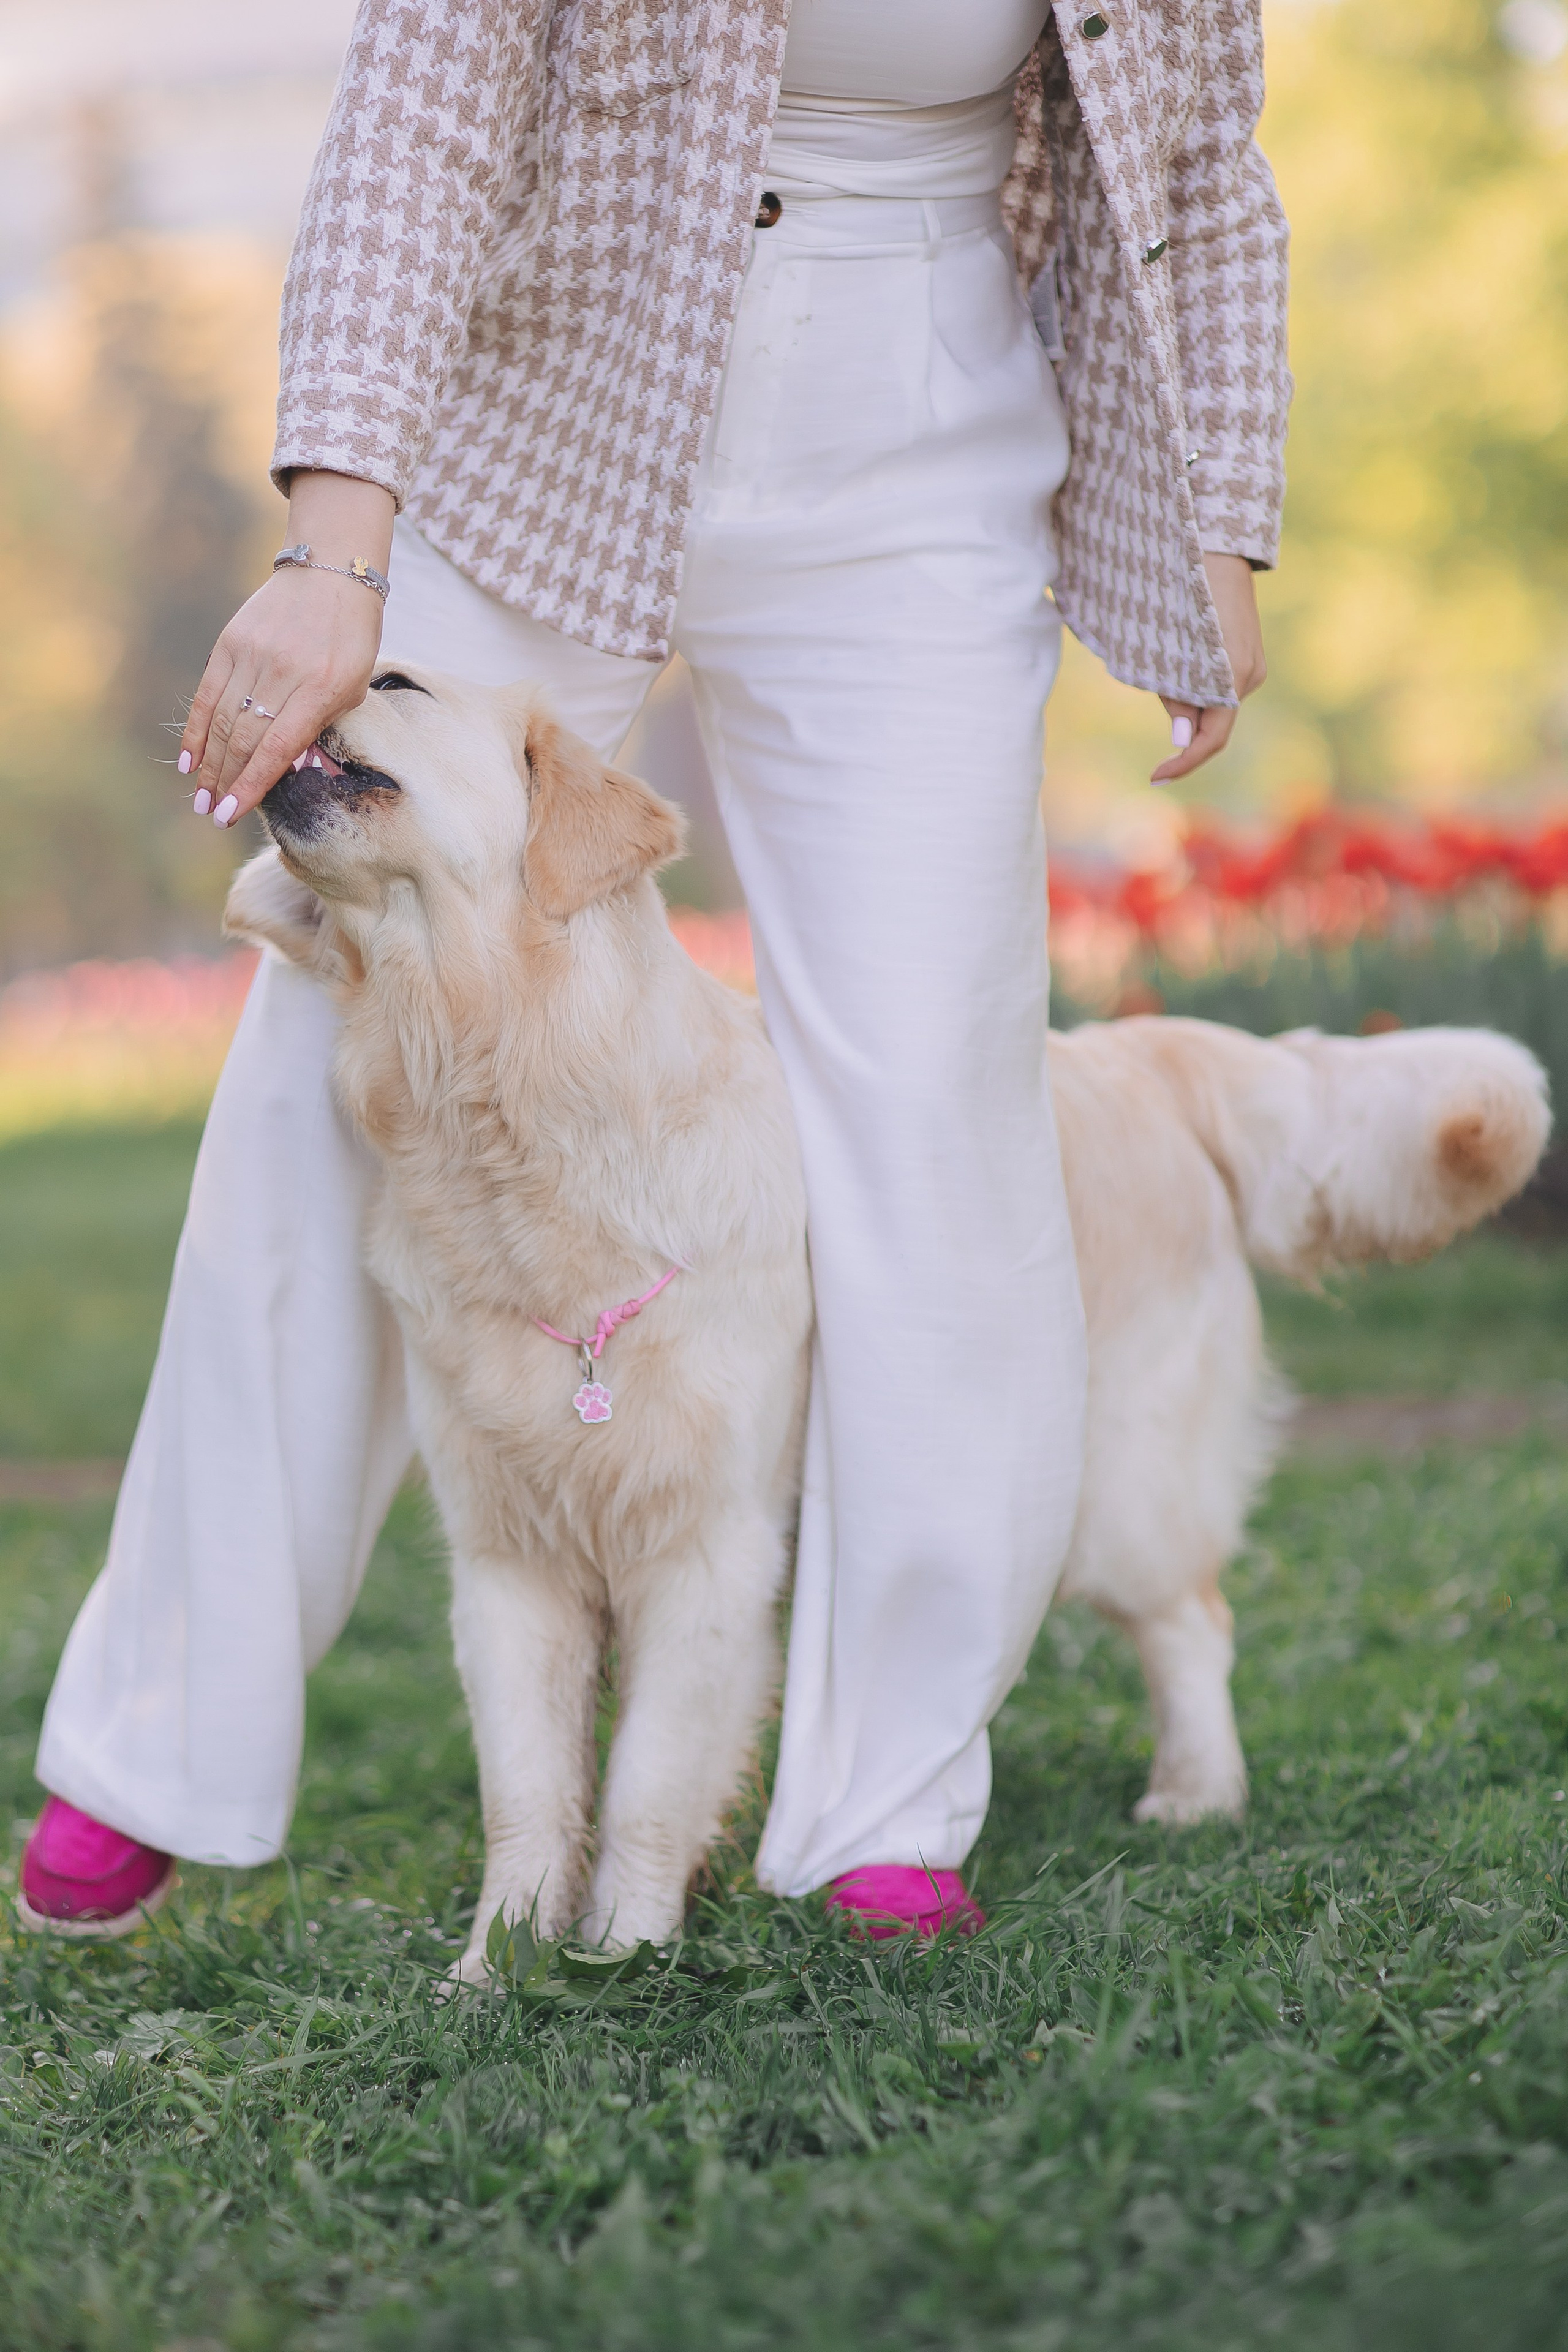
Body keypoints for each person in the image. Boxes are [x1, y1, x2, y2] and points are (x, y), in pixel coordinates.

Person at [19, 0, 1287, 1943]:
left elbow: (1198, 154)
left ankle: (889, 1789)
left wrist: (1214, 510)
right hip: (561, 391)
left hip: (924, 404)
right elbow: (428, 97)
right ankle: (163, 1737)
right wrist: (337, 545)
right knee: (319, 1057)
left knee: (936, 1094)